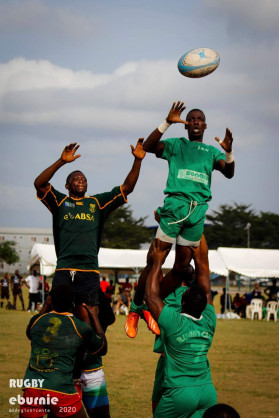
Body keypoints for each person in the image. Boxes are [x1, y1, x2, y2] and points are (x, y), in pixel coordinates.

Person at [126, 100, 234, 337]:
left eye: (199, 119)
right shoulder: (177, 145)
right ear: (186, 125)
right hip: (176, 206)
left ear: (205, 126)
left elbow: (228, 172)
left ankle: (150, 304)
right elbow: (150, 146)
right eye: (191, 119)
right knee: (156, 259)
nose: (195, 121)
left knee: (182, 268)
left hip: (197, 212)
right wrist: (167, 122)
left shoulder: (212, 151)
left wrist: (228, 150)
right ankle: (136, 308)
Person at [34, 140, 145, 322]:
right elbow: (39, 183)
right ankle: (39, 333)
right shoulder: (60, 202)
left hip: (89, 270)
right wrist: (61, 161)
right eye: (76, 179)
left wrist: (138, 161)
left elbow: (127, 188)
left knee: (88, 315)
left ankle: (87, 348)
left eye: (84, 179)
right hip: (64, 267)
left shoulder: (97, 203)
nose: (81, 181)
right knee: (56, 312)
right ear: (67, 186)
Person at [145, 238, 217, 417]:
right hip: (207, 392)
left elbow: (151, 297)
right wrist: (199, 255)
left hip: (180, 393)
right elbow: (206, 288)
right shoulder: (209, 319)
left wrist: (157, 262)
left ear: (182, 302)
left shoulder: (175, 322)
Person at [20, 284, 107, 418]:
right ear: (72, 303)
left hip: (33, 386)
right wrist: (94, 316)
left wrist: (46, 305)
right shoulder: (79, 326)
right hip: (60, 388)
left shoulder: (36, 320)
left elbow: (30, 331)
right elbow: (102, 348)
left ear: (51, 301)